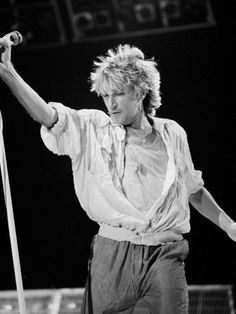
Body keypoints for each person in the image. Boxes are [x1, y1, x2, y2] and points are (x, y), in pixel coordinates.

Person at [0, 38, 235, 314]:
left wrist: (230, 226)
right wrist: (8, 72)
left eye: (118, 94)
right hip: (113, 258)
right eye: (105, 95)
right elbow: (51, 117)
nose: (110, 104)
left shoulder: (173, 133)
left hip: (166, 256)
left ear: (140, 91)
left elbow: (193, 190)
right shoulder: (94, 129)